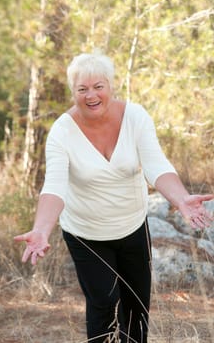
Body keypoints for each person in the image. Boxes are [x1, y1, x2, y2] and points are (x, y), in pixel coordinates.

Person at [14, 51, 213, 343]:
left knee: (136, 308)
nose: (91, 95)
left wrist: (180, 199)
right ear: (73, 92)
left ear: (111, 86)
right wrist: (42, 229)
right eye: (82, 89)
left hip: (132, 226)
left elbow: (157, 166)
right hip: (86, 233)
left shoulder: (135, 117)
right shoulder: (62, 132)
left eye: (98, 86)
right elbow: (54, 186)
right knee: (104, 302)